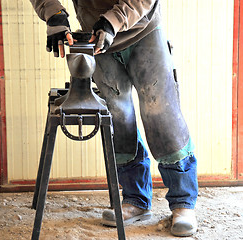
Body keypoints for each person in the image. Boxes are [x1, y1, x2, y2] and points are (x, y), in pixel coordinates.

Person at [30, 0, 199, 237]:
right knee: (119, 117)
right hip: (97, 37)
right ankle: (135, 199)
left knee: (161, 114)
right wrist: (53, 13)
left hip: (143, 30)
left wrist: (113, 21)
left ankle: (183, 203)